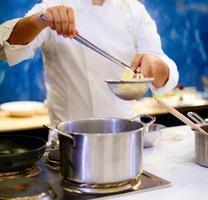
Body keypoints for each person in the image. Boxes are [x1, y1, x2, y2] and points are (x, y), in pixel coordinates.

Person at [0, 0, 178, 127]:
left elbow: (164, 76)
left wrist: (156, 66)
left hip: (126, 137)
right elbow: (7, 49)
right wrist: (42, 19)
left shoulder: (134, 10)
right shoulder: (52, 6)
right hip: (70, 143)